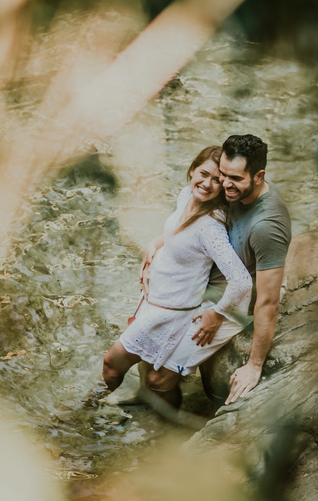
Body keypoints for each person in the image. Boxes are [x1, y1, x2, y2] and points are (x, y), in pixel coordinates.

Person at [97, 146, 252, 409]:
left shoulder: (210, 227)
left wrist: (217, 315)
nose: (207, 184)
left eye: (217, 180)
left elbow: (242, 281)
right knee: (141, 368)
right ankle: (146, 409)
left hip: (171, 312)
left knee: (117, 365)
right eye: (203, 174)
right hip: (155, 300)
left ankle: (86, 409)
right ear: (192, 170)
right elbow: (180, 234)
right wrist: (156, 244)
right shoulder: (186, 196)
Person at [145, 134, 292, 408]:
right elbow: (201, 222)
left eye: (234, 178)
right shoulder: (233, 189)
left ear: (258, 177)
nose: (224, 184)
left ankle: (172, 426)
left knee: (158, 379)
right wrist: (159, 242)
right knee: (145, 347)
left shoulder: (267, 227)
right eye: (223, 174)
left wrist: (253, 365)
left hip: (232, 303)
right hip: (201, 282)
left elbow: (268, 302)